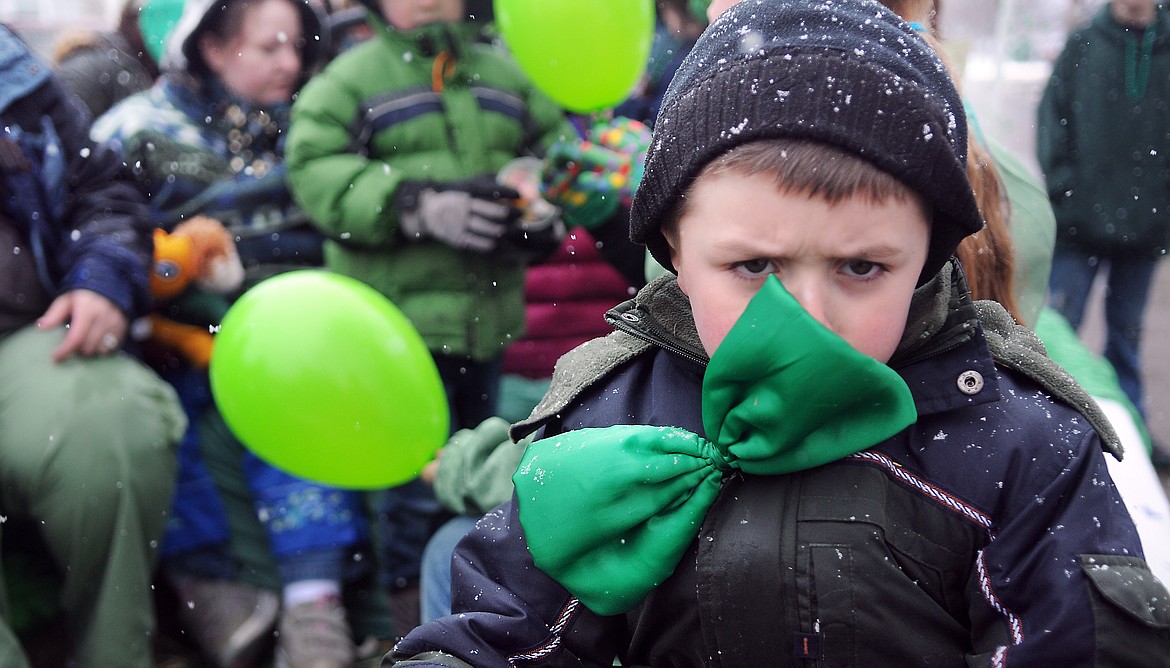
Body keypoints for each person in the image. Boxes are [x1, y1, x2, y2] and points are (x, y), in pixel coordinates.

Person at [386, 1, 1170, 665]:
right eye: (754, 266)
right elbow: (503, 631)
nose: (807, 319)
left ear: (928, 260)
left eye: (862, 268)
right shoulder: (609, 416)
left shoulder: (1021, 445)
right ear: (673, 256)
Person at [92, 2, 390, 666]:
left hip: (304, 345)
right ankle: (222, 597)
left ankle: (318, 609)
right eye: (269, 48)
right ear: (213, 49)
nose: (291, 63)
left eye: (295, 48)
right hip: (175, 348)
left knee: (300, 431)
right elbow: (113, 244)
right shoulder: (135, 132)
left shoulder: (314, 126)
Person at [284, 0, 574, 634]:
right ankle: (408, 625)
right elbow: (314, 170)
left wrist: (542, 215)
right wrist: (410, 205)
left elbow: (558, 157)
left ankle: (477, 622)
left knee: (485, 487)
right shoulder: (351, 79)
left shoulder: (506, 75)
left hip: (486, 320)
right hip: (395, 332)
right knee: (408, 492)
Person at [0, 24, 186, 667]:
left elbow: (102, 189)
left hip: (27, 336)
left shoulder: (15, 74)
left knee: (115, 427)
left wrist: (102, 279)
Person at [1036, 0, 1170, 425]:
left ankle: (1130, 428)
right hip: (1079, 226)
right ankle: (1049, 425)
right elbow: (1051, 119)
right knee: (1057, 333)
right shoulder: (1084, 44)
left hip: (1148, 226)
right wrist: (1066, 190)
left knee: (1126, 336)